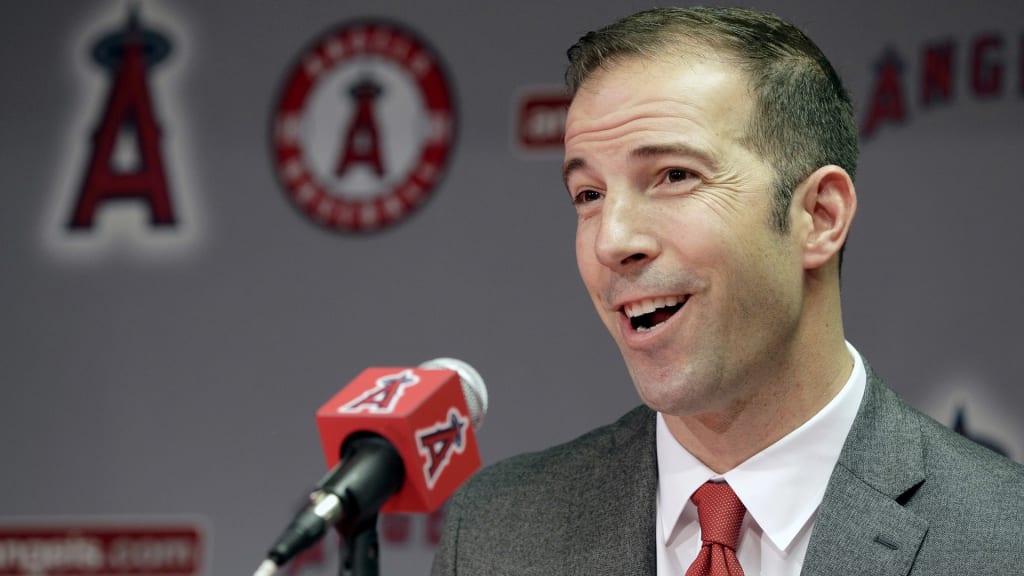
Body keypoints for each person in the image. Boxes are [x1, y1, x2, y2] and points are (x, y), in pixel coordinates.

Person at [431, 7, 1024, 575]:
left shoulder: (1004, 538)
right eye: (589, 195)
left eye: (674, 176)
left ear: (818, 216)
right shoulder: (495, 532)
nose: (612, 241)